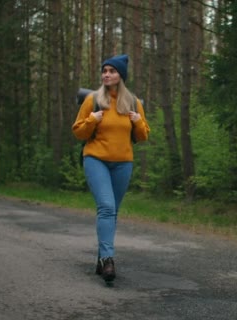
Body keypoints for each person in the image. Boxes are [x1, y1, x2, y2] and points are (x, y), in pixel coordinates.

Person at [72, 54, 150, 282]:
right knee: (106, 207)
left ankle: (100, 260)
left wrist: (137, 121)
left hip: (123, 163)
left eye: (111, 71)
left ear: (120, 76)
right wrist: (92, 120)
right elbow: (78, 131)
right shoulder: (93, 100)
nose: (106, 74)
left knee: (112, 211)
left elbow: (143, 136)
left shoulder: (133, 103)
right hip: (96, 159)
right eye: (104, 71)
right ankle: (108, 260)